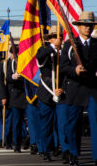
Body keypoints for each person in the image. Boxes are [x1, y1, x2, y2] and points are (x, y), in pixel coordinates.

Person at [61, 11, 97, 166]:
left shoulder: (96, 44)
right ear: (79, 26)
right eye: (85, 25)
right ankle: (73, 154)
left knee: (95, 123)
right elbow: (63, 67)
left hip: (93, 89)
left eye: (90, 25)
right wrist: (74, 70)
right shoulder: (70, 45)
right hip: (75, 89)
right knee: (73, 124)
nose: (88, 28)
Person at [36, 26, 64, 161]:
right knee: (46, 125)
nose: (57, 39)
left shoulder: (65, 51)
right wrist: (53, 47)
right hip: (46, 93)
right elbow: (39, 57)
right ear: (49, 39)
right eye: (53, 37)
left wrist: (63, 88)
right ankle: (45, 149)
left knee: (62, 124)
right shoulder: (44, 50)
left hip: (62, 92)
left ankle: (62, 149)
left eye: (58, 37)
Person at [0, 45, 27, 152]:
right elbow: (0, 82)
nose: (16, 56)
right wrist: (3, 96)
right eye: (14, 54)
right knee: (12, 121)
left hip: (24, 95)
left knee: (24, 121)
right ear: (10, 54)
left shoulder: (22, 62)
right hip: (11, 96)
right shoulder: (4, 64)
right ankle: (12, 142)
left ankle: (27, 140)